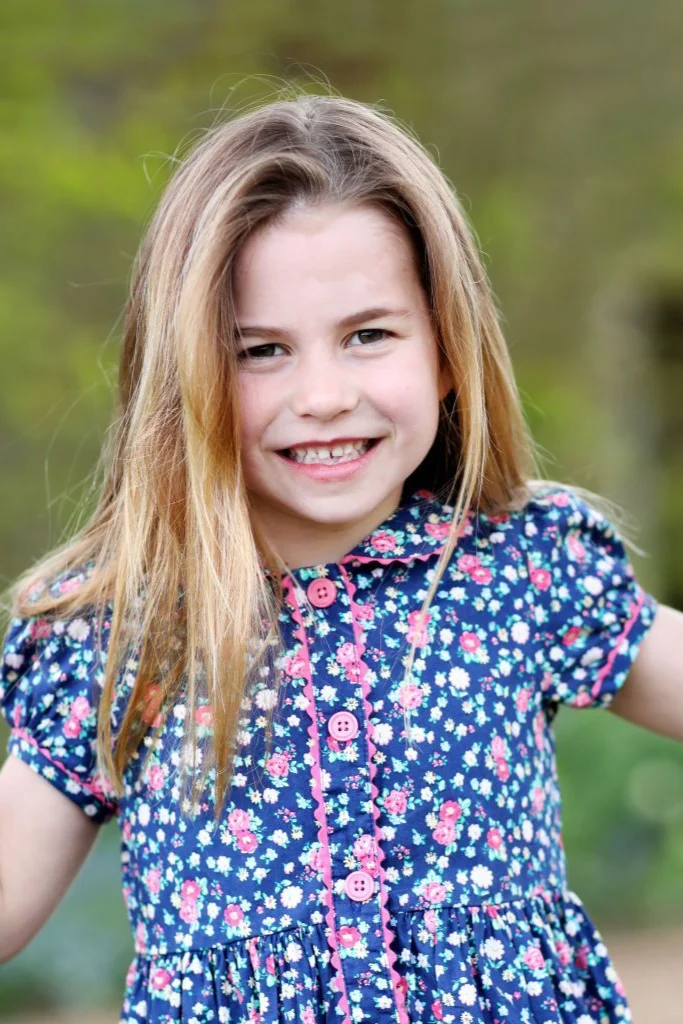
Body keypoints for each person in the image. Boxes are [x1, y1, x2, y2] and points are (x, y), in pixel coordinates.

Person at [0, 91, 681, 1024]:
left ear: (446, 347)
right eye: (260, 351)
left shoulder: (519, 568)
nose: (322, 395)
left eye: (368, 335)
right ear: (184, 374)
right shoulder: (125, 624)